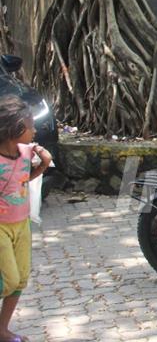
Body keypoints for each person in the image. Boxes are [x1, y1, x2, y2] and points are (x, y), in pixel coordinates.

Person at [0, 95, 52, 342]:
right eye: (30, 126)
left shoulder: (24, 152)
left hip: (22, 224)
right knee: (8, 280)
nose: (34, 130)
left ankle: (3, 329)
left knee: (20, 278)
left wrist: (43, 164)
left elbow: (21, 181)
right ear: (15, 129)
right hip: (1, 227)